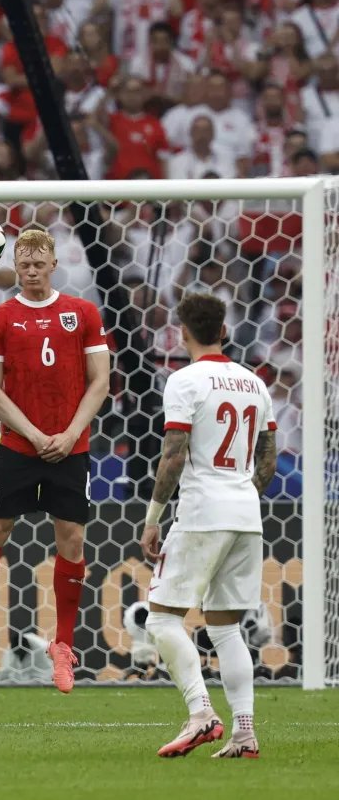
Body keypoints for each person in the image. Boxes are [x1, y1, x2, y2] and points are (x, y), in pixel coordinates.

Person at [0, 229, 111, 692]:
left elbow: (99, 381)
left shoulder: (81, 313)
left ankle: (63, 647)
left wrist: (71, 433)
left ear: (54, 264)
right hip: (21, 447)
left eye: (40, 264)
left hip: (70, 447)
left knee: (72, 540)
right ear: (15, 267)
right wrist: (37, 434)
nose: (33, 271)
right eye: (25, 265)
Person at [142, 294, 276, 760]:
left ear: (183, 332)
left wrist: (152, 519)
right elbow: (268, 459)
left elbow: (174, 454)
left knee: (161, 619)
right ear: (223, 329)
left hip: (202, 512)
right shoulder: (254, 384)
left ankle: (202, 714)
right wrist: (241, 497)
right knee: (225, 628)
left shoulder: (184, 380)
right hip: (246, 515)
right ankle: (244, 734)